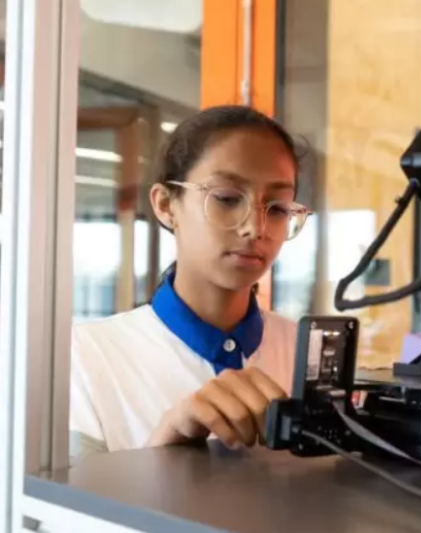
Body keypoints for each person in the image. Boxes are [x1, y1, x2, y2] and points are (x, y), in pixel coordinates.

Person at [69, 105, 310, 459]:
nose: (255, 228)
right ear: (166, 204)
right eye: (227, 198)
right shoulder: (85, 358)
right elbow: (60, 496)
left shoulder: (305, 354)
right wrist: (164, 449)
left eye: (277, 208)